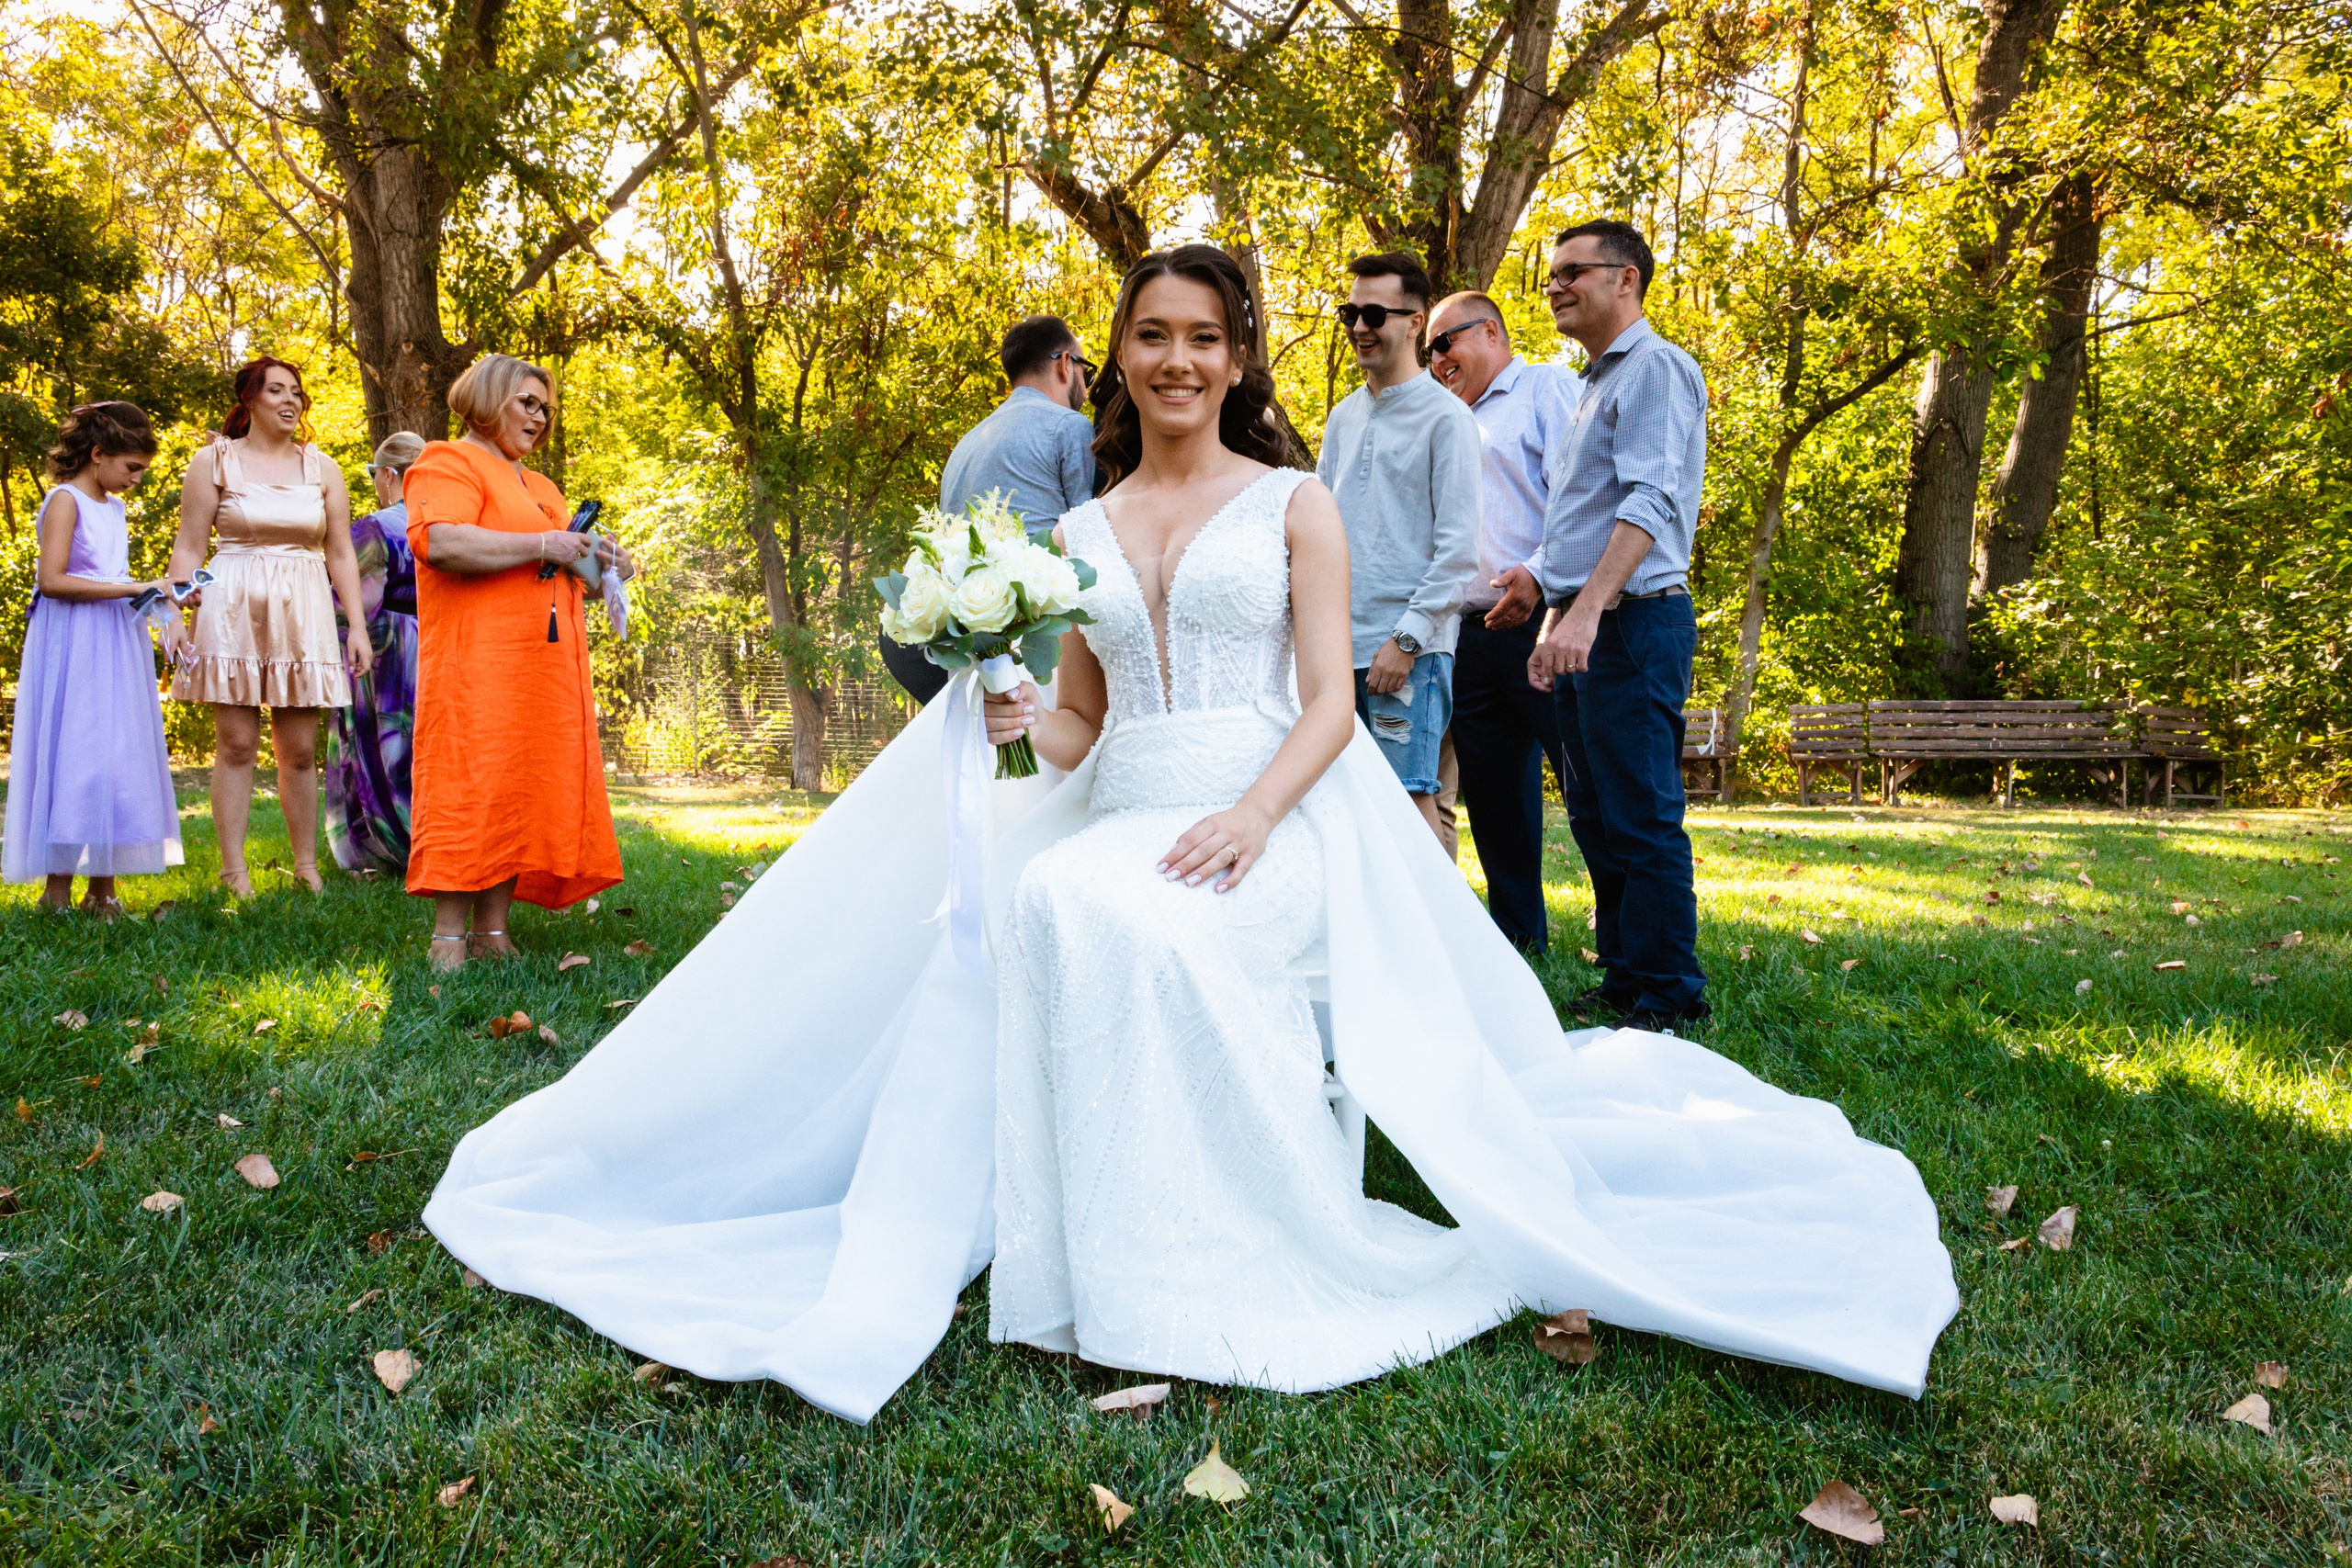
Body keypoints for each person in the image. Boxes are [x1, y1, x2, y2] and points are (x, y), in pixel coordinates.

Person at [423, 243, 1957, 1427]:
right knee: (1053, 907)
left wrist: (1249, 814)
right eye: (1150, 334)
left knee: (1146, 914)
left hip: (1273, 803)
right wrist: (1030, 720)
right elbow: (1089, 720)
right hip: (1120, 802)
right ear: (1124, 359)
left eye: (1202, 338)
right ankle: (1080, 1270)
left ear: (1235, 361)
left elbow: (1332, 705)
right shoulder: (1076, 534)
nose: (1175, 358)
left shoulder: (1297, 502)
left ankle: (1219, 1261)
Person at [1527, 220, 1710, 1032]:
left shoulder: (1656, 371)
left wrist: (1589, 611)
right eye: (1551, 276)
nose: (1556, 286)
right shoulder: (1594, 383)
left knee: (1640, 812)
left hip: (1633, 625)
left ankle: (1673, 992)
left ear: (1626, 278)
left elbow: (1648, 503)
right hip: (1586, 625)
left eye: (1572, 272)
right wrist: (1549, 608)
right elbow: (1581, 519)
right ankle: (1630, 974)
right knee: (1596, 813)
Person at [401, 355, 634, 969]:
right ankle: (448, 937)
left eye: (545, 406)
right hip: (478, 661)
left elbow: (565, 565)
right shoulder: (447, 460)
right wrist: (542, 542)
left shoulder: (545, 487)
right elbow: (440, 541)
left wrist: (606, 561)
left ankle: (493, 930)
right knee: (471, 783)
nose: (540, 415)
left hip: (543, 667)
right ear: (490, 396)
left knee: (520, 787)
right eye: (527, 401)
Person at [167, 357, 373, 897]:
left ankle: (306, 864)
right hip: (231, 606)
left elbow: (341, 553)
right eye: (276, 390)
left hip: (303, 608)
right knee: (236, 744)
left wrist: (356, 627)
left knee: (300, 750)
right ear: (250, 401)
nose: (291, 401)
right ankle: (233, 870)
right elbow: (190, 545)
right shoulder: (213, 461)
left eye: (297, 392)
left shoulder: (321, 468)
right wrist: (174, 611)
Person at [1425, 293, 1578, 954]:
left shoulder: (1543, 387)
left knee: (1589, 780)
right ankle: (1519, 939)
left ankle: (1634, 944)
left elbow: (1580, 494)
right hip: (1470, 633)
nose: (1434, 360)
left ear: (1490, 331)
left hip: (1546, 619)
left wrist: (1540, 574)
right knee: (1495, 800)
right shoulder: (1440, 418)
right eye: (1427, 351)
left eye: (1443, 343)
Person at [1315, 251, 1480, 853]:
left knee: (1410, 799)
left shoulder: (1447, 419)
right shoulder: (1342, 417)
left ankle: (1434, 946)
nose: (1360, 326)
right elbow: (1323, 536)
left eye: (1375, 313)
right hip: (1337, 652)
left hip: (1410, 654)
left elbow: (1459, 553)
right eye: (1351, 312)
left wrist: (1406, 640)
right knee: (1345, 802)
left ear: (1415, 322)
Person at [4, 402, 184, 913]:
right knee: (78, 754)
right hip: (74, 644)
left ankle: (103, 891)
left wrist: (162, 599)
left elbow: (112, 579)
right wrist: (135, 585)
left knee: (113, 758)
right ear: (98, 453)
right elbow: (53, 581)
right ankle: (56, 891)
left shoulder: (114, 507)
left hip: (114, 643)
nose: (136, 480)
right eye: (132, 468)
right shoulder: (65, 501)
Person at [881, 315, 1097, 704]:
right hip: (1041, 648)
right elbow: (1091, 540)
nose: (1086, 385)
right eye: (1087, 371)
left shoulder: (965, 446)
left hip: (970, 650)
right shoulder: (1069, 426)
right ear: (1066, 363)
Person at [324, 431, 425, 874]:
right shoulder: (446, 523)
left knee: (382, 742)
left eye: (373, 474)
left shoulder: (375, 526)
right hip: (437, 640)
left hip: (385, 647)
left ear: (388, 474)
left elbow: (356, 601)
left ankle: (385, 844)